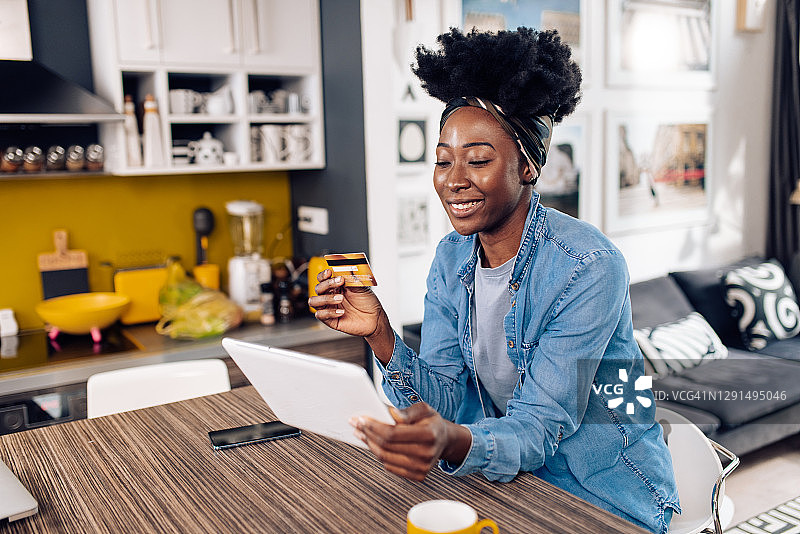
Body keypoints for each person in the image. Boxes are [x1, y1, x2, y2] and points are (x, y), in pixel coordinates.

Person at [309, 27, 679, 534]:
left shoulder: (589, 265)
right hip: (509, 480)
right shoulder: (451, 257)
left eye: (478, 160)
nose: (453, 179)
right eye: (442, 161)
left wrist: (454, 441)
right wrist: (381, 335)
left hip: (605, 493)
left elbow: (540, 427)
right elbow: (439, 396)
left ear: (528, 165)